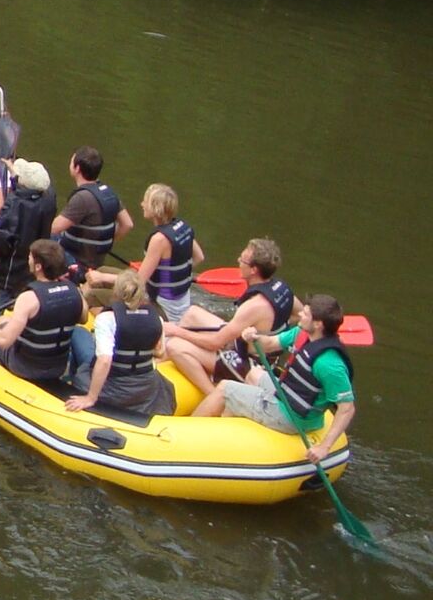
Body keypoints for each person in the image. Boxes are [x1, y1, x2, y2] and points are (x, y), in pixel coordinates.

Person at [191, 294, 356, 461]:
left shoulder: (329, 365)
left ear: (318, 324)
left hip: (292, 418)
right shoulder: (302, 333)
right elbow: (271, 344)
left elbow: (347, 408)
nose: (300, 314)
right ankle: (233, 423)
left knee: (225, 389)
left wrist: (324, 447)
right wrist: (254, 338)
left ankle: (188, 436)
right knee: (254, 374)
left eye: (305, 314)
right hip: (285, 395)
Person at [165, 236, 290, 395]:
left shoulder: (254, 306)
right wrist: (266, 331)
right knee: (192, 313)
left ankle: (212, 394)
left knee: (174, 346)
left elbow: (215, 343)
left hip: (250, 365)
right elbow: (296, 315)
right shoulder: (281, 288)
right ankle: (176, 361)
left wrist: (176, 331)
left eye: (242, 260)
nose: (238, 261)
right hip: (250, 348)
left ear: (253, 270)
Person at [64, 266, 176, 418]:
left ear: (116, 292)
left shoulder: (107, 319)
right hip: (146, 386)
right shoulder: (157, 318)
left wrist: (91, 398)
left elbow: (105, 361)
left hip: (114, 387)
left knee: (79, 337)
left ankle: (69, 383)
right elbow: (160, 352)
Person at [0, 237, 86, 386]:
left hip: (24, 367)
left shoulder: (28, 298)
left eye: (30, 257)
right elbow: (83, 319)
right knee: (3, 320)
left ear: (38, 266)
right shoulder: (75, 291)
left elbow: (4, 341)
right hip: (58, 367)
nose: (28, 260)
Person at [52, 147, 133, 286]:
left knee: (42, 237)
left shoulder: (82, 198)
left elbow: (54, 228)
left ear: (77, 168)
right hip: (97, 260)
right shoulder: (108, 192)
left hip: (78, 263)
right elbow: (127, 224)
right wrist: (105, 241)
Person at [129, 183, 205, 326]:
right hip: (182, 301)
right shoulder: (183, 227)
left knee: (97, 292)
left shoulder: (159, 240)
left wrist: (103, 277)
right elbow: (199, 257)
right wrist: (176, 273)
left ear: (155, 208)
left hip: (164, 307)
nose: (142, 204)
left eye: (145, 201)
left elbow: (139, 282)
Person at [0, 158, 58, 299]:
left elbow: (2, 236)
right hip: (35, 258)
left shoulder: (15, 204)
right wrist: (15, 177)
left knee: (5, 291)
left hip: (13, 265)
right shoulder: (49, 198)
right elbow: (28, 193)